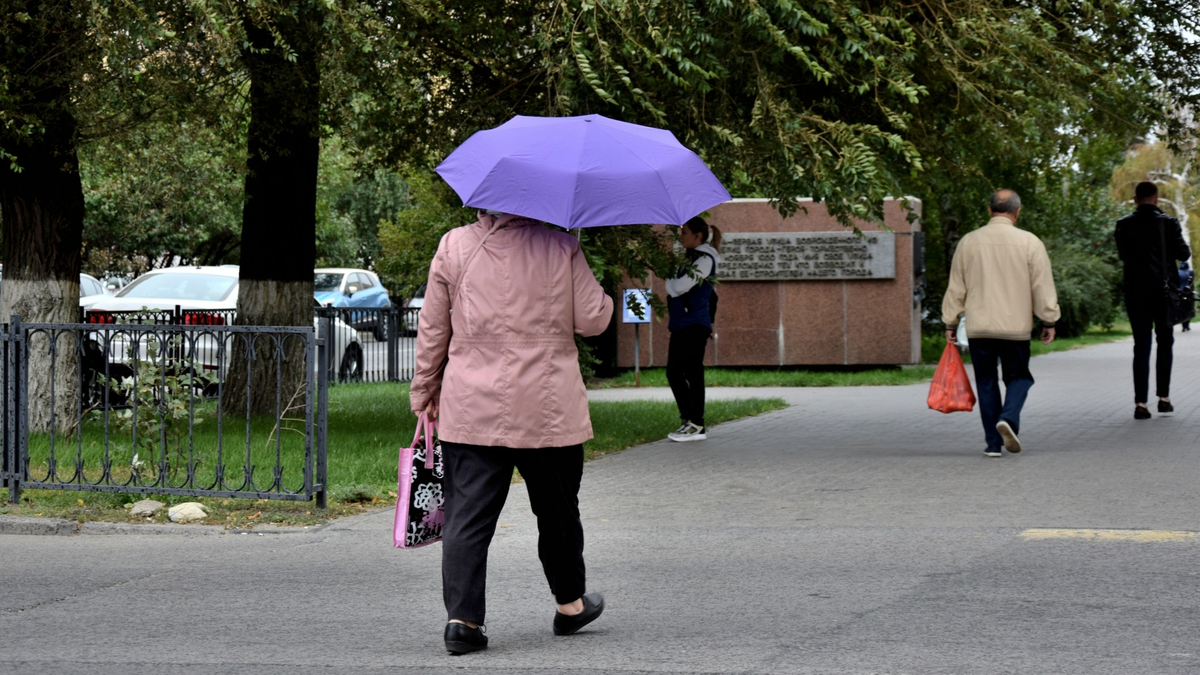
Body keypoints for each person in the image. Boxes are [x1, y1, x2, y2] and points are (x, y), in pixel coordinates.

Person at [409, 210, 614, 654]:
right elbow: (594, 321)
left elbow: (432, 328)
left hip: (470, 406)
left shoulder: (455, 245)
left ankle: (462, 622)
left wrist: (424, 390)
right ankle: (571, 604)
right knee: (557, 510)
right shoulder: (562, 246)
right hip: (549, 405)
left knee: (467, 515)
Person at [942, 189, 1060, 457]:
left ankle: (993, 444)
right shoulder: (1030, 243)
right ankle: (1008, 417)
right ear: (1017, 212)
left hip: (979, 328)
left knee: (986, 382)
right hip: (1015, 329)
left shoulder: (968, 242)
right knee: (1019, 377)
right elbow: (1042, 287)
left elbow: (956, 288)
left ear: (989, 210)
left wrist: (950, 321)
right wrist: (1049, 319)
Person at [1115, 181, 1191, 419]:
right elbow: (1184, 254)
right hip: (1164, 293)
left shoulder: (1123, 225)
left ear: (1136, 199)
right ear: (1156, 199)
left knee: (1141, 346)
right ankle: (1164, 399)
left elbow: (1123, 255)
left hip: (1136, 292)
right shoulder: (1168, 223)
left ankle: (1140, 404)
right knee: (1165, 342)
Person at [664, 216, 722, 442]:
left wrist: (670, 284)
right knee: (675, 372)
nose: (681, 236)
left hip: (695, 324)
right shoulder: (690, 256)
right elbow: (674, 280)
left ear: (698, 236)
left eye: (685, 232)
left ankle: (696, 423)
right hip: (682, 323)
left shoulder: (705, 259)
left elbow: (677, 286)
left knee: (692, 372)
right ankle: (689, 420)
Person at [1178, 261, 1194, 332]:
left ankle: (1184, 325)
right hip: (1188, 292)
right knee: (1189, 308)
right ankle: (1187, 325)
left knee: (1182, 308)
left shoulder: (1178, 272)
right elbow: (1191, 281)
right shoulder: (1190, 272)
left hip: (1180, 292)